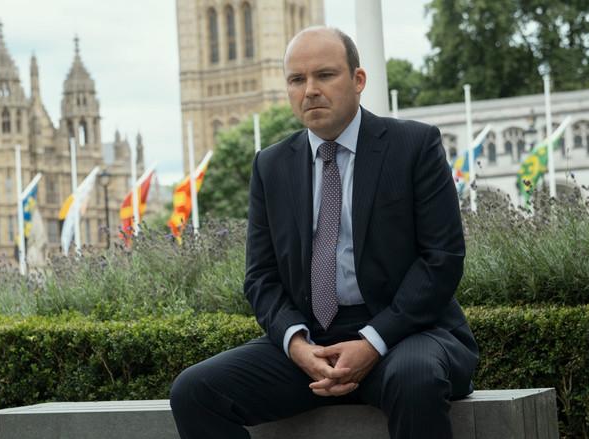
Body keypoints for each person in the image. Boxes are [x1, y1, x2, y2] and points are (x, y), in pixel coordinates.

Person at [170, 26, 478, 439]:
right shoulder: (271, 166)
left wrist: (372, 342)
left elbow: (442, 260)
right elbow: (260, 277)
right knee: (194, 391)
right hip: (312, 347)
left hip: (407, 335)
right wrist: (297, 345)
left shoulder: (414, 146)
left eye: (325, 75)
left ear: (358, 80)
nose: (310, 90)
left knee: (415, 379)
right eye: (297, 80)